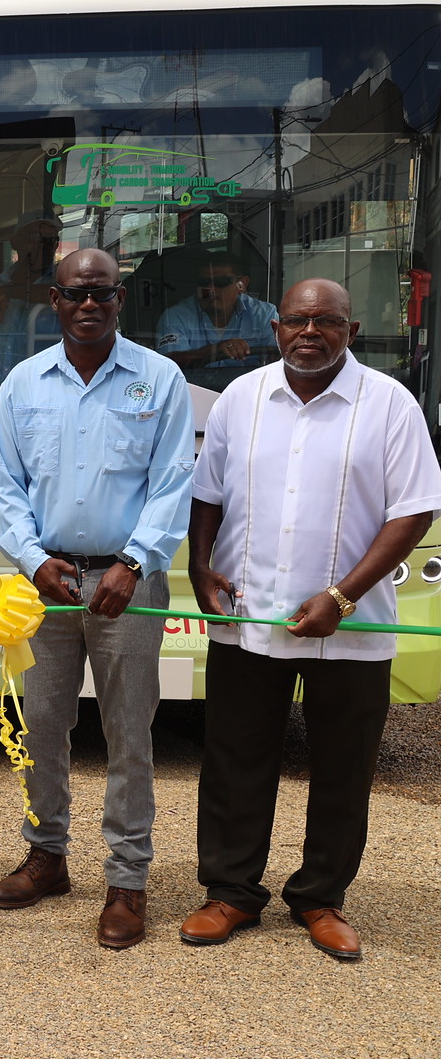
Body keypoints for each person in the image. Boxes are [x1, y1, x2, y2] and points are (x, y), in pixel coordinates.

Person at [180, 279, 441, 961]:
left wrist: (344, 597)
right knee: (235, 758)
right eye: (297, 319)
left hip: (351, 628)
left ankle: (321, 896)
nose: (310, 331)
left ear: (350, 331)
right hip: (248, 620)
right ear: (276, 329)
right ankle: (230, 890)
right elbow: (207, 494)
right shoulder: (242, 398)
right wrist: (198, 566)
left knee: (343, 767)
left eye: (326, 320)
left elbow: (413, 511)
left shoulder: (389, 404)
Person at [0, 247, 194, 949]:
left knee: (129, 735)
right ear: (54, 298)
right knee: (40, 726)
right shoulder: (22, 384)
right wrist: (31, 558)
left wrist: (134, 562)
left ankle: (127, 880)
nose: (87, 305)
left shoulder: (159, 380)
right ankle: (47, 856)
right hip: (45, 586)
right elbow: (7, 487)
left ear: (119, 299)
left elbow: (173, 484)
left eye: (100, 294)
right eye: (75, 294)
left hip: (127, 585)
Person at [0, 210, 65, 371]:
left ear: (56, 245)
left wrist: (12, 292)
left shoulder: (63, 283)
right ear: (15, 242)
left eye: (48, 239)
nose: (41, 246)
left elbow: (69, 297)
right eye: (33, 238)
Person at [156, 254, 277, 372]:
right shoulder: (176, 316)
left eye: (221, 282)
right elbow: (168, 366)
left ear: (242, 284)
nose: (210, 290)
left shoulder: (263, 314)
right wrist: (214, 351)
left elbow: (278, 361)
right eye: (204, 283)